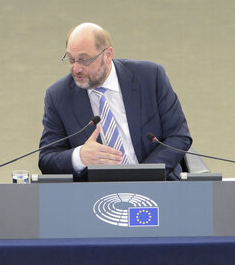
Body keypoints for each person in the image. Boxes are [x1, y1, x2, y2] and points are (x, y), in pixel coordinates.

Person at [38, 22, 192, 180]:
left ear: (108, 54)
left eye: (84, 60)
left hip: (158, 186)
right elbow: (47, 159)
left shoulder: (150, 77)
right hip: (94, 195)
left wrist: (143, 177)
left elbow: (179, 136)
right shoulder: (58, 96)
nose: (76, 69)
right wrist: (79, 157)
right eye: (71, 60)